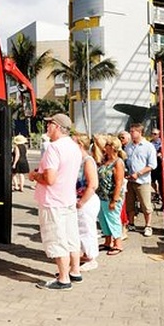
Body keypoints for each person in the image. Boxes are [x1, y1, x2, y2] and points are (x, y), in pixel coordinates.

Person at [29, 113, 81, 290]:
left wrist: (35, 175)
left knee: (57, 239)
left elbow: (50, 179)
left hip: (52, 200)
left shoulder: (53, 148)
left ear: (57, 127)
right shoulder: (74, 147)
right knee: (71, 237)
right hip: (68, 198)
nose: (47, 127)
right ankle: (75, 270)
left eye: (49, 124)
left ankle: (64, 278)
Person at [123, 123, 157, 237]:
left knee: (146, 205)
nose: (131, 133)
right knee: (130, 204)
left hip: (142, 181)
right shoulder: (128, 146)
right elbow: (126, 161)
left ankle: (148, 226)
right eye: (130, 131)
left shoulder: (148, 146)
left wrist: (139, 173)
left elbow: (152, 165)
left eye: (133, 131)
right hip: (129, 180)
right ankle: (131, 223)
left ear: (140, 132)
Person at [75, 134, 100, 271]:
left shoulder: (87, 161)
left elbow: (92, 184)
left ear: (80, 145)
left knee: (87, 229)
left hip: (86, 200)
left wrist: (82, 201)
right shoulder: (79, 160)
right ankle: (85, 254)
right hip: (80, 199)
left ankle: (91, 257)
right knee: (80, 229)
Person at [97, 135, 126, 255]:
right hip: (101, 195)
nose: (105, 147)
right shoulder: (105, 160)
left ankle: (118, 243)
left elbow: (119, 182)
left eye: (107, 145)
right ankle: (107, 241)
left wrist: (114, 200)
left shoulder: (118, 162)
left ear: (113, 147)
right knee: (103, 219)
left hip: (111, 197)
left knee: (113, 219)